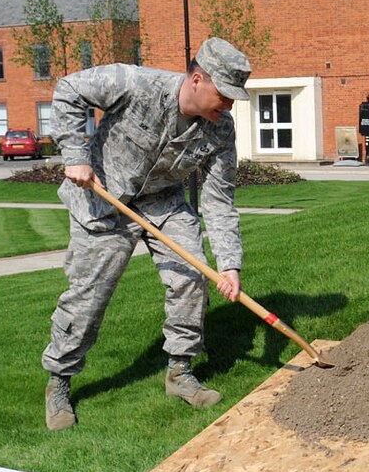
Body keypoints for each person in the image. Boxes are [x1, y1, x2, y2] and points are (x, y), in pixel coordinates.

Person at [41, 38, 251, 429]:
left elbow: (219, 200)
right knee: (89, 296)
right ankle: (59, 382)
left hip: (163, 203)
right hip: (103, 198)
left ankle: (180, 372)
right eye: (223, 94)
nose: (228, 105)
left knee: (192, 278)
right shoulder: (135, 83)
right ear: (197, 79)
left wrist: (230, 265)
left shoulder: (220, 131)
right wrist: (76, 157)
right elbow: (68, 90)